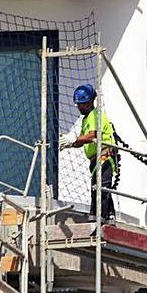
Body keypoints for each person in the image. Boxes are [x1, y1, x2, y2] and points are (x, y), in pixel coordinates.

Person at [59, 84, 118, 223]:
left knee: (101, 187)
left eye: (83, 104)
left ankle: (98, 217)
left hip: (105, 155)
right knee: (99, 186)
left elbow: (92, 135)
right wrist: (70, 143)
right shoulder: (87, 119)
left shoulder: (96, 115)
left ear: (91, 101)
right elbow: (83, 140)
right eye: (78, 104)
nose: (80, 107)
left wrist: (74, 139)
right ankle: (108, 216)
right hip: (96, 158)